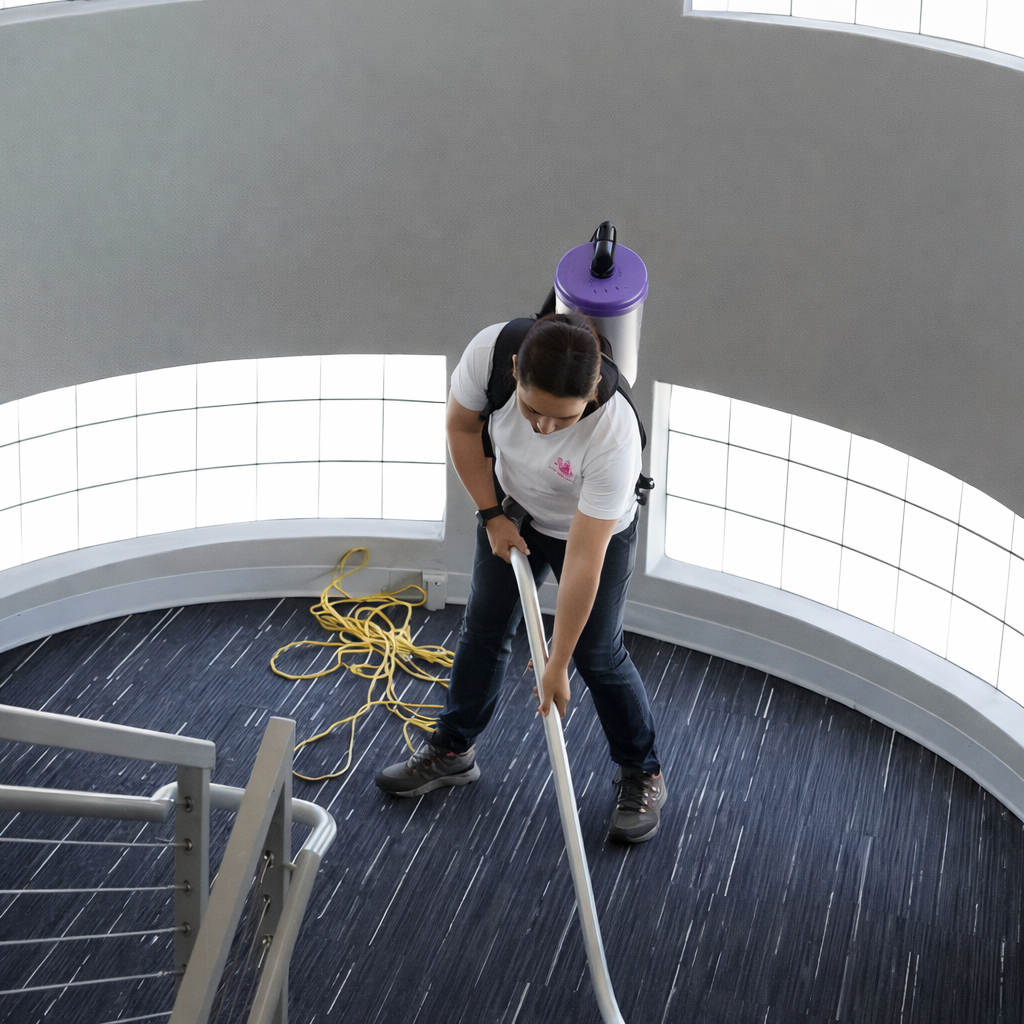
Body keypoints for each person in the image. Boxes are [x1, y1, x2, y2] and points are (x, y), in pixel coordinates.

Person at [375, 312, 666, 843]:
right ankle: (453, 750)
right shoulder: (490, 353)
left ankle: (642, 771)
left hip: (592, 531)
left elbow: (583, 557)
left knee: (596, 654)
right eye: (533, 410)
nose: (544, 429)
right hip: (511, 512)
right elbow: (461, 426)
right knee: (483, 631)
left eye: (563, 419)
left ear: (594, 390)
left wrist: (556, 663)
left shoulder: (615, 435)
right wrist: (492, 515)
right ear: (514, 370)